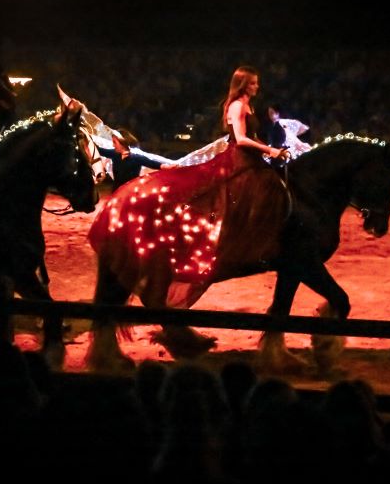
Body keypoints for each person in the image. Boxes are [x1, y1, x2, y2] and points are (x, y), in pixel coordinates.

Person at [89, 65, 291, 308]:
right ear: (242, 85)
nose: (257, 87)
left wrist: (272, 151)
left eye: (256, 83)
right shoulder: (237, 105)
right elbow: (242, 139)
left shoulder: (249, 105)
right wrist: (270, 150)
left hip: (252, 158)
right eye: (252, 83)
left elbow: (253, 136)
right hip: (239, 159)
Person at [98, 128, 175, 192]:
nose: (113, 145)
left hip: (131, 193)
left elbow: (152, 163)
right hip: (117, 193)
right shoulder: (115, 154)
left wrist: (166, 166)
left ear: (123, 142)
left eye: (115, 142)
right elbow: (99, 150)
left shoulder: (136, 158)